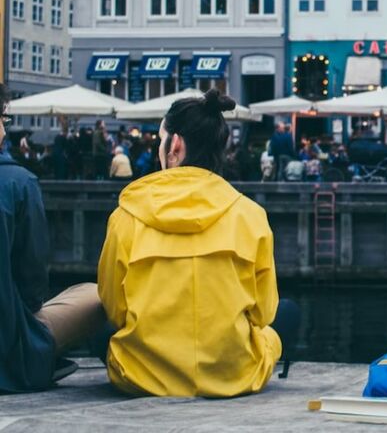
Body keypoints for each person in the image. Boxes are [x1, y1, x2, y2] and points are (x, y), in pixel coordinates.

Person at [97, 89, 299, 397]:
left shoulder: (126, 216)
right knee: (288, 312)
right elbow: (263, 314)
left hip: (141, 374)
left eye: (160, 141)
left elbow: (114, 309)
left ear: (175, 145)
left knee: (92, 315)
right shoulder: (250, 215)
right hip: (234, 373)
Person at [0, 83, 106, 392]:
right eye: (4, 120)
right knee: (96, 295)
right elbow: (32, 277)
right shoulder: (19, 183)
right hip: (9, 353)